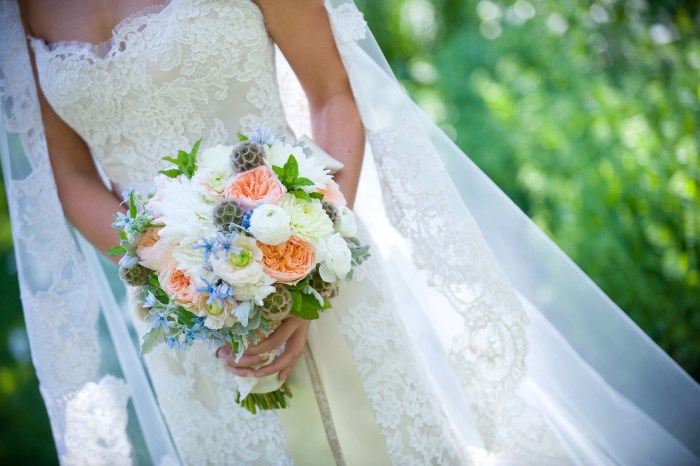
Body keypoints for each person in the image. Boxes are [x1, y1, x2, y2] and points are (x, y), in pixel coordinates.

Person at [0, 0, 698, 465]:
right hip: (190, 333)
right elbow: (68, 176)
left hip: (318, 269)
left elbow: (332, 90)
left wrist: (303, 266)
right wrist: (180, 279)